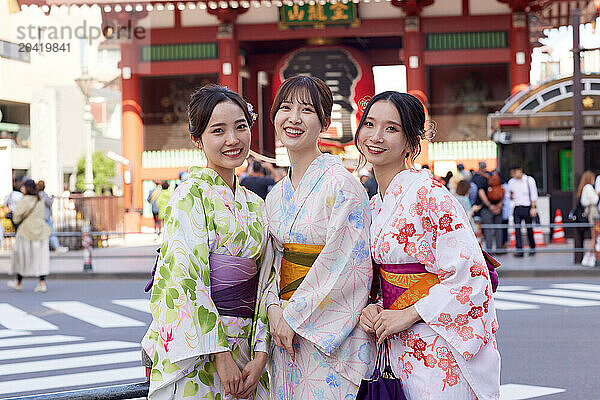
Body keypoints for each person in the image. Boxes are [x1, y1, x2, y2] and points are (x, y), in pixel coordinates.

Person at [356, 92, 500, 399]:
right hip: (394, 337)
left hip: (435, 338)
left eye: (391, 129)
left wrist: (408, 314)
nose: (376, 136)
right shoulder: (373, 205)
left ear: (412, 142)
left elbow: (471, 276)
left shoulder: (431, 195)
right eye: (369, 124)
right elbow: (381, 280)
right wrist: (373, 307)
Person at [141, 85, 271, 400]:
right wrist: (219, 354)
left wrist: (261, 354)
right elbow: (183, 277)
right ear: (197, 139)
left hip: (247, 346)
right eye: (218, 131)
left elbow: (268, 281)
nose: (233, 139)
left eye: (241, 127)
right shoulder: (189, 195)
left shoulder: (255, 204)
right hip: (204, 350)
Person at [263, 75, 374, 399]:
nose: (293, 118)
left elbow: (347, 265)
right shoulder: (275, 196)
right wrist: (273, 310)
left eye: (306, 110)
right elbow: (270, 265)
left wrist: (293, 316)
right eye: (285, 108)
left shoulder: (343, 185)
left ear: (325, 122)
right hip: (284, 331)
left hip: (326, 340)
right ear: (274, 118)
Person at [7, 179, 51, 292]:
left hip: (26, 231)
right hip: (41, 230)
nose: (21, 189)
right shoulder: (40, 199)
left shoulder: (25, 200)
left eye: (23, 187)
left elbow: (16, 218)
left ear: (27, 188)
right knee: (41, 258)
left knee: (22, 258)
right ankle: (42, 283)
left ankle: (18, 282)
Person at [472, 162, 503, 253]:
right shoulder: (495, 176)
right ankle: (499, 249)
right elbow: (503, 190)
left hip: (486, 208)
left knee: (488, 229)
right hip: (498, 207)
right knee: (499, 228)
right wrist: (499, 205)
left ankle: (489, 250)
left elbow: (481, 194)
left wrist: (490, 206)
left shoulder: (479, 178)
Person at [507, 166, 538, 257]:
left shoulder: (529, 180)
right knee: (517, 229)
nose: (514, 175)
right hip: (517, 207)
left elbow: (534, 195)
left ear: (520, 170)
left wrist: (533, 208)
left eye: (515, 172)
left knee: (529, 228)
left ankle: (532, 248)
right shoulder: (511, 182)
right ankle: (519, 250)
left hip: (527, 207)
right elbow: (510, 195)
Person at [36, 180, 68, 254]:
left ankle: (49, 248)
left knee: (43, 233)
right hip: (46, 217)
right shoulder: (43, 194)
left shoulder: (37, 194)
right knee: (51, 232)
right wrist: (52, 198)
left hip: (41, 216)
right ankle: (57, 247)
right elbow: (49, 202)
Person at [578, 171, 599, 266]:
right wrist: (597, 193)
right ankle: (588, 257)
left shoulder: (585, 188)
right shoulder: (589, 188)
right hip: (593, 214)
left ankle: (590, 257)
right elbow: (595, 200)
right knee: (595, 237)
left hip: (590, 214)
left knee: (594, 237)